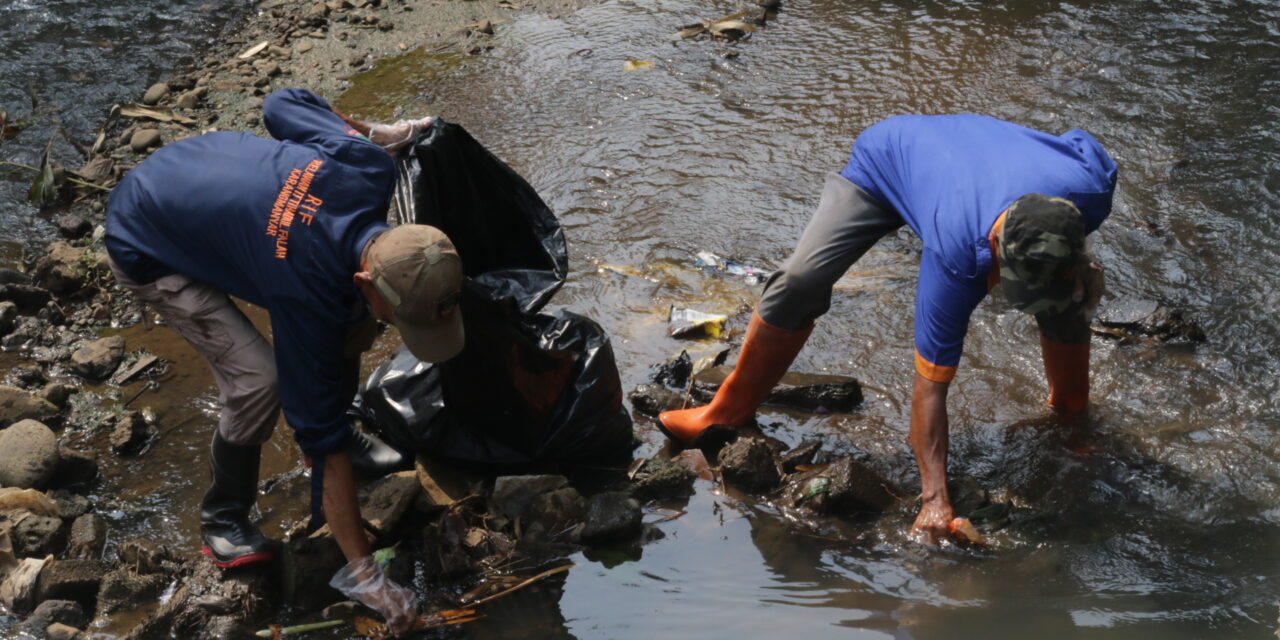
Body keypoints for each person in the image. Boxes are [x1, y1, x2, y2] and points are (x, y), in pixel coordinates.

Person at [659, 114, 1117, 544]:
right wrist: (935, 500)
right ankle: (726, 410)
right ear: (995, 247)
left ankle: (1069, 414)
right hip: (889, 162)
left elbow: (1082, 145)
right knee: (800, 281)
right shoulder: (958, 249)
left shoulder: (1090, 191)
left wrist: (1079, 273)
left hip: (965, 161)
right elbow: (931, 387)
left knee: (1066, 298)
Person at [105, 88, 462, 634]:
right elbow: (315, 435)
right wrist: (365, 574)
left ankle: (349, 429)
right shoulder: (304, 296)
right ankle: (222, 517)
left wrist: (373, 131)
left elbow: (282, 103)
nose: (397, 329)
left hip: (197, 170)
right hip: (146, 235)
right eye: (399, 316)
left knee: (352, 322)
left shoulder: (367, 164)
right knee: (259, 380)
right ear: (367, 278)